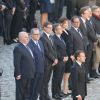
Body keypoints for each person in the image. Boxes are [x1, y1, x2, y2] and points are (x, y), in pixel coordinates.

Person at [13, 31, 35, 100]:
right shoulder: (18, 48)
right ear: (21, 38)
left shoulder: (27, 46)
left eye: (28, 37)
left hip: (29, 73)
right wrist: (18, 73)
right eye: (26, 37)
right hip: (22, 75)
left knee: (27, 92)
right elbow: (16, 62)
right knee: (20, 93)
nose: (28, 38)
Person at [40, 22, 58, 100]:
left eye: (51, 28)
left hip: (51, 62)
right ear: (44, 27)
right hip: (46, 63)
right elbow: (46, 51)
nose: (51, 29)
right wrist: (54, 59)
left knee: (47, 81)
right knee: (44, 81)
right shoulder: (43, 37)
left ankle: (46, 96)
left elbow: (54, 49)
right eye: (49, 28)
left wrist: (56, 58)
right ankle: (43, 96)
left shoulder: (50, 36)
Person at [52, 24, 68, 100]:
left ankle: (58, 92)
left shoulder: (61, 37)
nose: (61, 29)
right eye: (59, 28)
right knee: (56, 78)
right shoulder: (54, 39)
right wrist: (62, 58)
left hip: (64, 61)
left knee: (60, 77)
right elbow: (55, 51)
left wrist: (66, 56)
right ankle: (54, 94)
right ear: (55, 30)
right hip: (59, 61)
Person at [28, 28, 45, 100]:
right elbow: (30, 61)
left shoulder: (40, 42)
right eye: (36, 34)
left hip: (41, 70)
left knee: (38, 88)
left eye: (39, 34)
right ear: (31, 35)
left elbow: (42, 55)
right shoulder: (29, 45)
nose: (38, 35)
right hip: (34, 72)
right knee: (32, 88)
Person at [59, 17, 74, 95]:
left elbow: (71, 44)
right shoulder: (61, 33)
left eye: (67, 23)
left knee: (69, 72)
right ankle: (64, 89)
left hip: (71, 54)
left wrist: (72, 54)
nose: (67, 24)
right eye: (65, 23)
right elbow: (64, 45)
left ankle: (67, 88)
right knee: (66, 73)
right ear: (61, 24)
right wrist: (69, 55)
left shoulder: (68, 31)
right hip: (67, 55)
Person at [91, 6, 100, 77]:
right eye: (97, 11)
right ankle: (93, 72)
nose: (99, 12)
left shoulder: (98, 18)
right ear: (93, 12)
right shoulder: (92, 19)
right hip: (97, 39)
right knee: (96, 57)